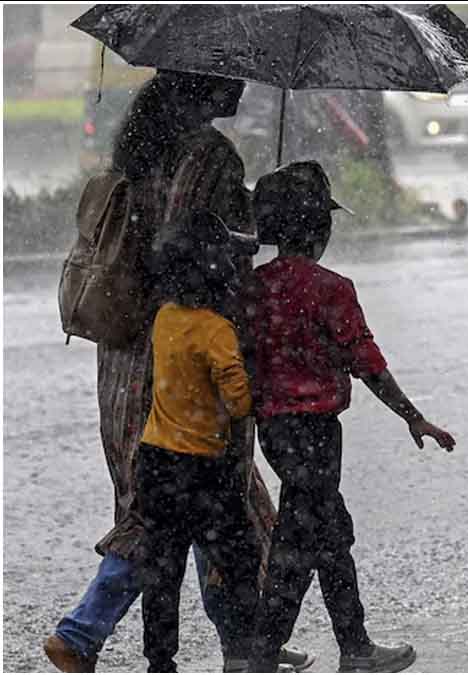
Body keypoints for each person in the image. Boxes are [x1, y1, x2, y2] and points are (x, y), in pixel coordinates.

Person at [44, 70, 311, 673]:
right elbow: (209, 249)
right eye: (231, 75)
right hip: (190, 355)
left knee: (177, 501)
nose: (244, 85)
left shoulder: (136, 150)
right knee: (199, 507)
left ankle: (246, 639)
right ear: (202, 86)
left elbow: (155, 244)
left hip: (128, 357)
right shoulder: (209, 155)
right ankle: (81, 634)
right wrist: (262, 218)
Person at [245, 162, 457, 673]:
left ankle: (346, 645)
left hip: (272, 430)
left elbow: (245, 359)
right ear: (320, 228)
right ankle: (269, 653)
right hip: (316, 432)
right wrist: (413, 416)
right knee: (303, 538)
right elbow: (366, 361)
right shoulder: (331, 288)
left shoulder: (250, 288)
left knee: (325, 532)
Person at [134, 211, 264, 673]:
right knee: (239, 558)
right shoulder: (217, 331)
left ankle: (160, 660)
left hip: (155, 463)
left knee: (163, 571)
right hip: (203, 469)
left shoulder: (165, 319)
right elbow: (239, 400)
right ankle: (246, 650)